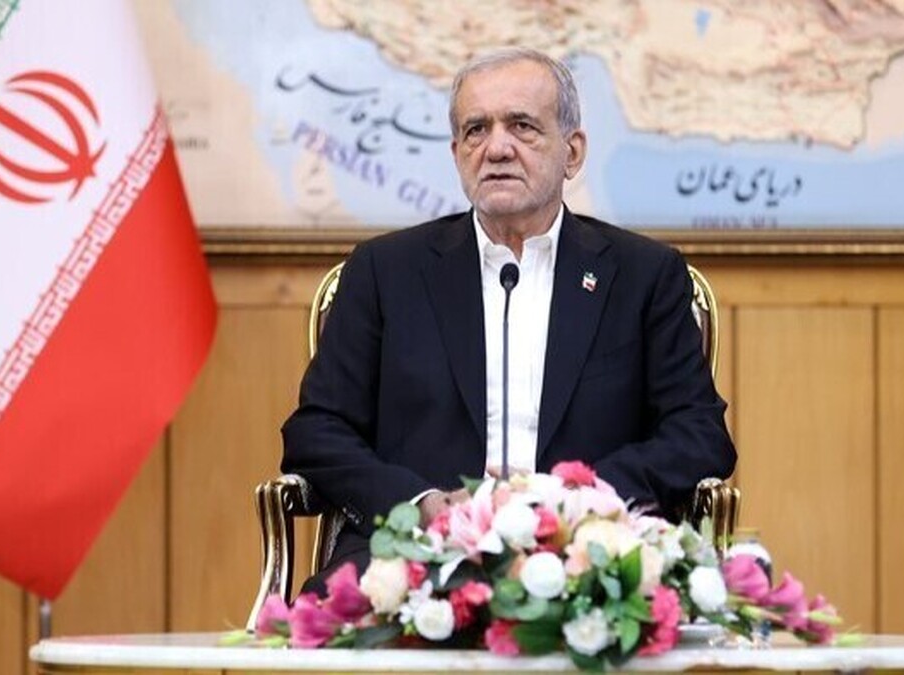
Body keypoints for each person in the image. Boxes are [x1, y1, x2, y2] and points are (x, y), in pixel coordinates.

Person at [281, 47, 735, 590]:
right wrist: (419, 504)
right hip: (415, 553)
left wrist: (575, 502)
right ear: (457, 154)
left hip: (591, 551)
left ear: (572, 152)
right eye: (476, 130)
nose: (496, 148)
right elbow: (316, 432)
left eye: (522, 126)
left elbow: (698, 433)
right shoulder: (386, 271)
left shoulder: (642, 275)